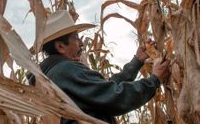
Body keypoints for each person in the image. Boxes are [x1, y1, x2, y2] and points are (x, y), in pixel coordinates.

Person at [27, 10, 170, 124]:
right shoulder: (65, 71)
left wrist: (137, 61)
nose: (82, 44)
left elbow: (102, 89)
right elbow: (115, 98)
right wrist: (154, 80)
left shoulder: (48, 77)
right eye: (76, 38)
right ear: (60, 46)